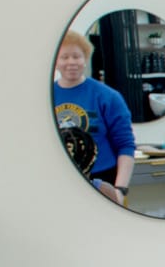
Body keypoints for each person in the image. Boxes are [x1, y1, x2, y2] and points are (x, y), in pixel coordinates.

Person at [52, 31, 135, 208]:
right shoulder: (45, 96)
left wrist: (119, 189)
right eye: (64, 57)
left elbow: (125, 145)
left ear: (86, 59)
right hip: (58, 181)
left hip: (102, 179)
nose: (71, 62)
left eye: (77, 56)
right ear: (56, 61)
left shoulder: (108, 97)